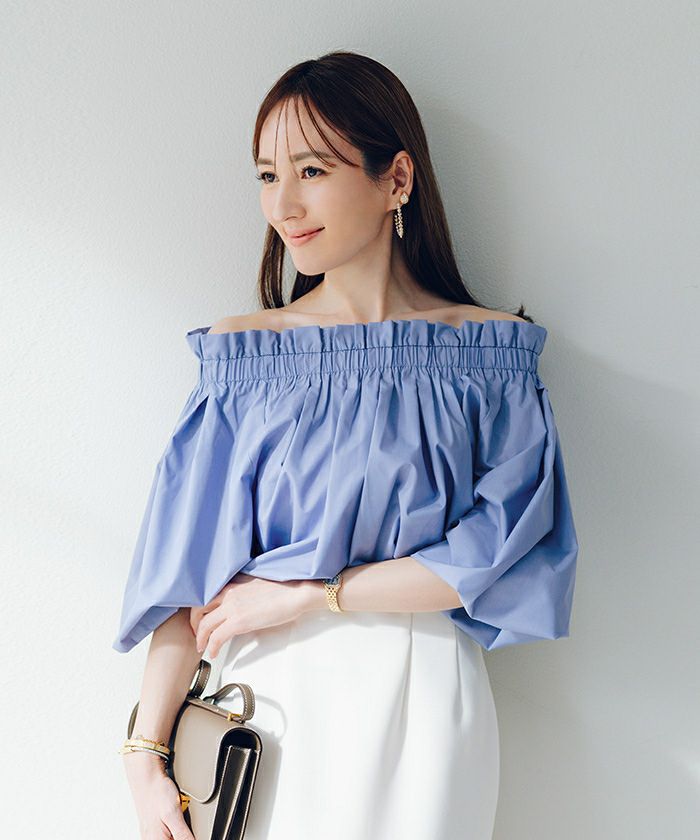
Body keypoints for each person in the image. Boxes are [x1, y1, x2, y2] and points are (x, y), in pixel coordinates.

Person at [114, 50, 579, 840]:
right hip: (267, 709)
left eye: (312, 170)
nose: (283, 204)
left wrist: (310, 594)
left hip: (423, 703)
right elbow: (186, 575)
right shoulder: (245, 363)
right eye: (268, 176)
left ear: (397, 179)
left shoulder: (491, 360)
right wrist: (144, 755)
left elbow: (493, 553)